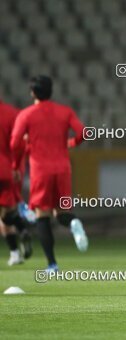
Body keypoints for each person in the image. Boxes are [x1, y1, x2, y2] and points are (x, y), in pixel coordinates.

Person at [10, 75, 88, 273]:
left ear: (33, 92)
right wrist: (71, 143)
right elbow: (83, 132)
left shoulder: (26, 115)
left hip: (40, 170)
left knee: (42, 216)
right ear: (51, 91)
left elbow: (15, 143)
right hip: (63, 169)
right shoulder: (65, 112)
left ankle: (52, 264)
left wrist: (16, 165)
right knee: (62, 213)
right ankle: (74, 222)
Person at [0, 98, 31, 265]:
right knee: (7, 214)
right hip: (8, 170)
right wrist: (17, 167)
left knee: (4, 217)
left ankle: (14, 253)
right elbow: (21, 143)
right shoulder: (14, 114)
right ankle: (22, 228)